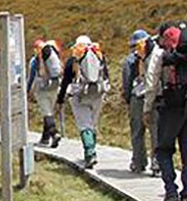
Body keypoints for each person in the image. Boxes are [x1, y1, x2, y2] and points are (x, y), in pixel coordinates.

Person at [144, 21, 187, 201]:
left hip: (170, 107)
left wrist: (147, 108)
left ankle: (171, 190)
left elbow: (152, 81)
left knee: (163, 150)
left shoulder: (163, 54)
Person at [55, 36, 110, 169]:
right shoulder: (99, 57)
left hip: (79, 96)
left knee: (85, 125)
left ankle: (89, 153)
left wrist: (60, 99)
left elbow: (65, 82)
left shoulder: (73, 61)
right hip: (97, 94)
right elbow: (106, 76)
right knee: (93, 123)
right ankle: (93, 151)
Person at [122, 29, 159, 175]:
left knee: (137, 131)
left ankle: (138, 161)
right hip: (154, 97)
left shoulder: (130, 60)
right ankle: (157, 163)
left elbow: (126, 81)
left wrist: (127, 98)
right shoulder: (157, 56)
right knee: (155, 131)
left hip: (136, 98)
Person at [27, 38, 63, 147]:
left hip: (42, 88)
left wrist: (27, 90)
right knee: (48, 112)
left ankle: (54, 133)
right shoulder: (54, 56)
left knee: (46, 113)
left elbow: (31, 76)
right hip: (54, 86)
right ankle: (45, 138)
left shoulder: (35, 60)